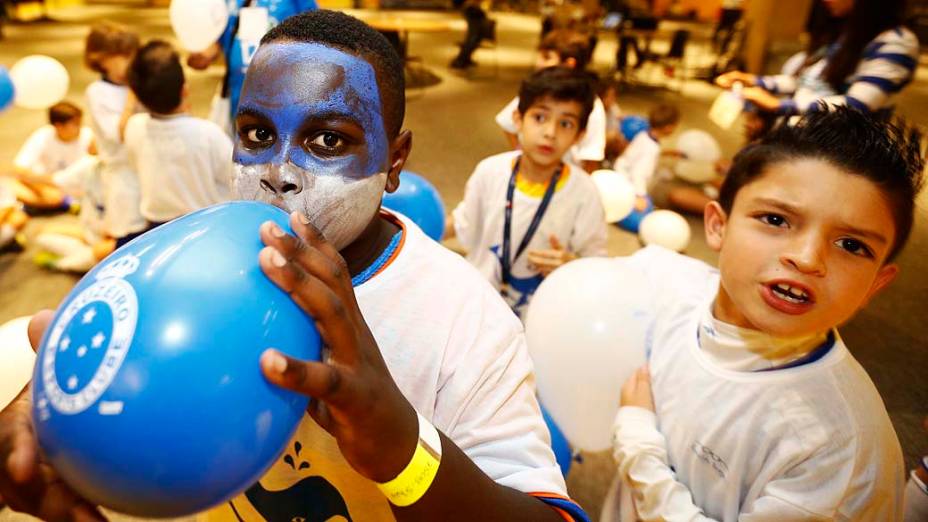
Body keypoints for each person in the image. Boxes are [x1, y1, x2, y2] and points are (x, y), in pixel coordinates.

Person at [0, 10, 590, 522]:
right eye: (256, 133)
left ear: (394, 160)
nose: (277, 172)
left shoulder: (465, 321)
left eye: (327, 140)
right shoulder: (195, 254)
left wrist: (403, 450)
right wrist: (48, 406)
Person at [604, 107, 922, 520]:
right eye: (775, 219)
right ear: (717, 225)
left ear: (876, 284)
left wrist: (637, 444)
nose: (808, 259)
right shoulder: (669, 285)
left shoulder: (840, 450)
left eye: (851, 246)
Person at [448, 67, 607, 319]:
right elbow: (464, 222)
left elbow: (596, 263)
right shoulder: (490, 171)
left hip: (541, 316)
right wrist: (414, 230)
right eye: (540, 118)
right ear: (518, 119)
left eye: (565, 123)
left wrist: (570, 266)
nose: (550, 133)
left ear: (580, 135)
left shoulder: (584, 192)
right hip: (479, 303)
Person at [716, 0, 918, 117]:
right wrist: (754, 81)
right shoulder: (842, 31)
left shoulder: (896, 42)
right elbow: (807, 81)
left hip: (840, 153)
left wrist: (779, 106)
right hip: (805, 139)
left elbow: (858, 105)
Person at [124, 40, 232, 233]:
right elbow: (235, 179)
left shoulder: (134, 127)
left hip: (156, 229)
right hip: (206, 228)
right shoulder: (208, 134)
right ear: (185, 89)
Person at [186, 0, 317, 133]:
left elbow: (314, 39)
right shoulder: (227, 2)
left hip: (281, 96)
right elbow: (220, 41)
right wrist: (202, 55)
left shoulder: (298, 2)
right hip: (238, 95)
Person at [495, 29, 606, 173]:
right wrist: (521, 152)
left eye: (547, 57)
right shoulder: (537, 92)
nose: (550, 133)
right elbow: (507, 123)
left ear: (569, 64)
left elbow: (591, 157)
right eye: (539, 117)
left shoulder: (591, 105)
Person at [83, 22, 147, 249]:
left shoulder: (138, 86)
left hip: (149, 175)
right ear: (100, 58)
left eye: (132, 55)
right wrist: (133, 96)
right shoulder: (98, 92)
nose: (129, 63)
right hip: (123, 180)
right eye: (121, 56)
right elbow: (119, 135)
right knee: (129, 241)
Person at [667, 103, 776, 215]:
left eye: (753, 120)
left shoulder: (766, 152)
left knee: (678, 196)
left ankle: (732, 214)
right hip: (733, 194)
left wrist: (714, 180)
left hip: (743, 200)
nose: (747, 124)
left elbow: (748, 188)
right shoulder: (754, 144)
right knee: (681, 194)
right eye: (748, 119)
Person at [10, 101, 92, 210]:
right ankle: (65, 202)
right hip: (48, 184)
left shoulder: (89, 136)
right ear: (58, 126)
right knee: (12, 185)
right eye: (75, 124)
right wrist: (42, 189)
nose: (79, 127)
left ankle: (64, 202)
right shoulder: (43, 135)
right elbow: (20, 168)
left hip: (74, 185)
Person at [613, 103, 679, 204]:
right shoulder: (652, 149)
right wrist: (640, 196)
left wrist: (666, 153)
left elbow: (641, 153)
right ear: (668, 128)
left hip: (620, 173)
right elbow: (639, 173)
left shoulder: (644, 134)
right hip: (627, 186)